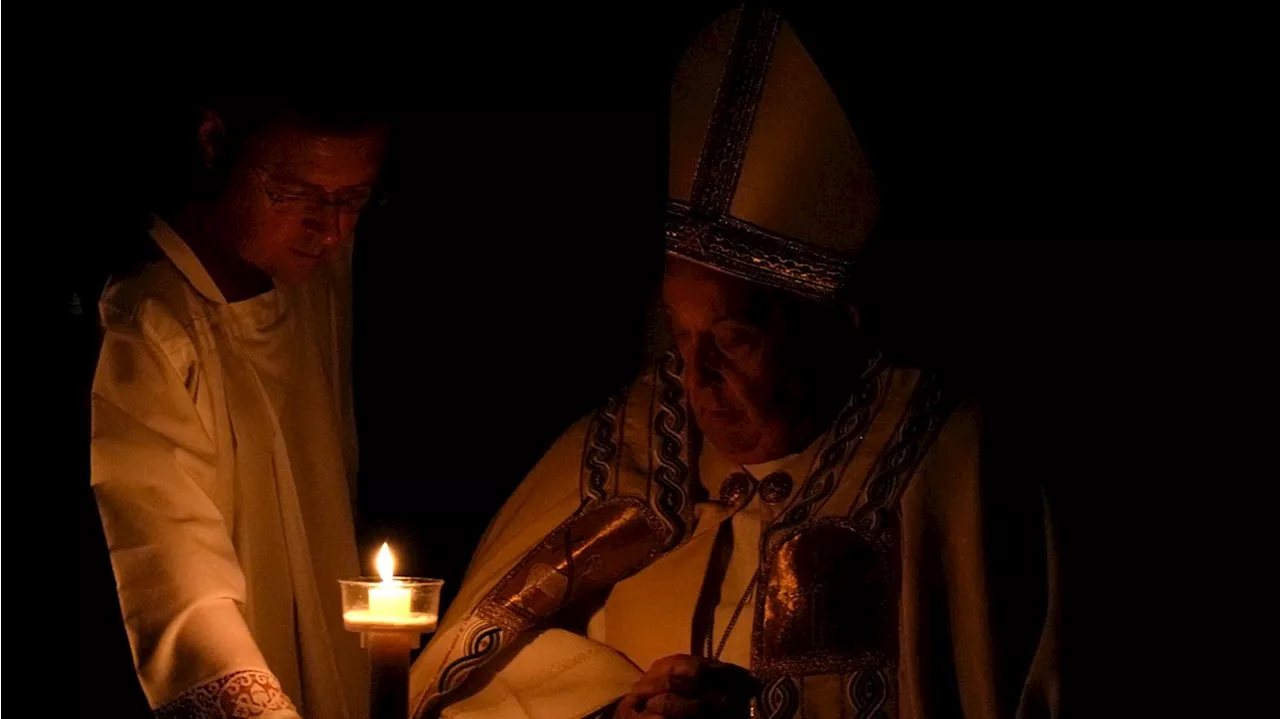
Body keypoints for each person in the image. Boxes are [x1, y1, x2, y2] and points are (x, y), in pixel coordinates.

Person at [408, 5, 1059, 719]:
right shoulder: (629, 440)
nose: (697, 380)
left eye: (735, 338)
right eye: (680, 338)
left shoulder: (946, 462)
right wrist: (616, 709)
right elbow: (475, 682)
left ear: (833, 330)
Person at [90, 97, 390, 719]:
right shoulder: (147, 326)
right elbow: (174, 583)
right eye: (296, 193)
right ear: (212, 141)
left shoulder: (313, 281)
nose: (331, 231)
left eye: (354, 199)